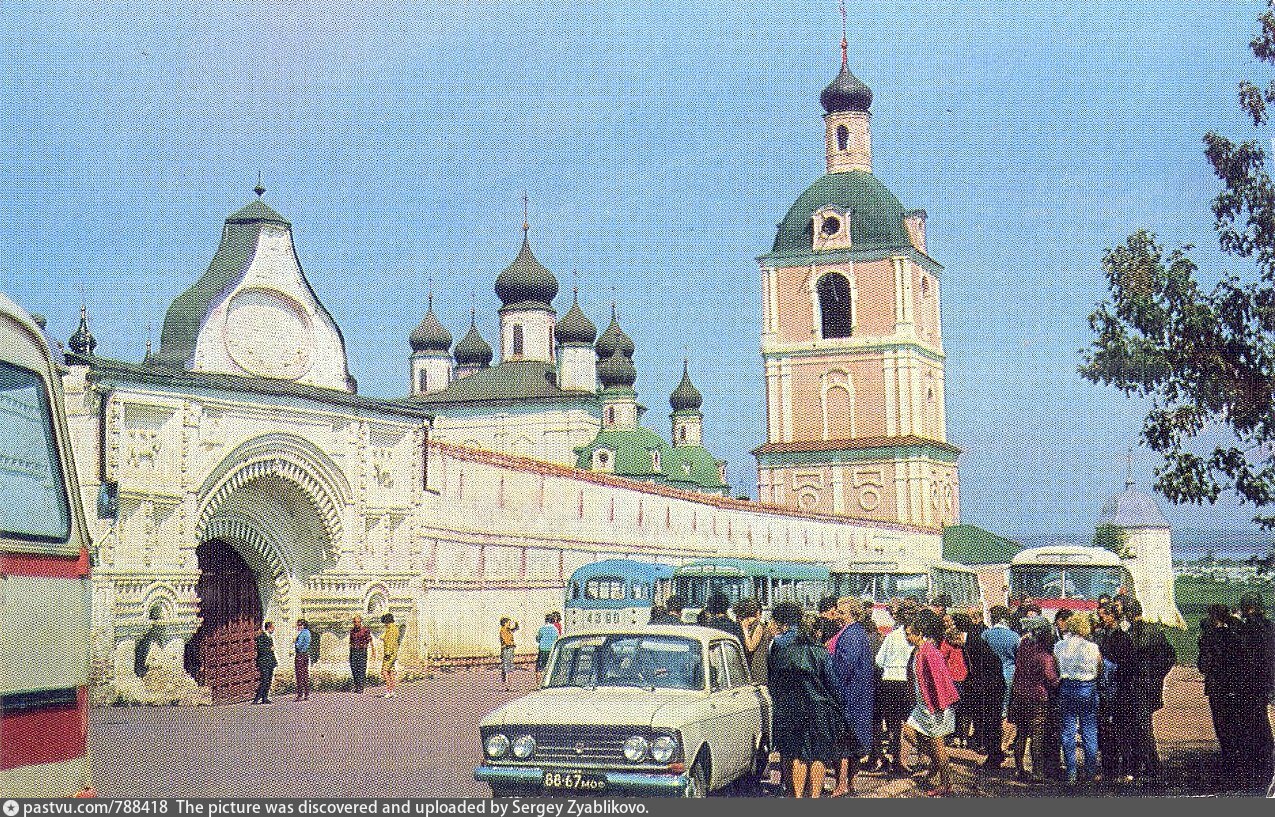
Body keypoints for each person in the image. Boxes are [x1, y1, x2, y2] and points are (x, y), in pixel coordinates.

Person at [767, 600, 846, 798]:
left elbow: (773, 679)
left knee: (795, 754)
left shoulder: (778, 647)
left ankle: (796, 796)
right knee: (818, 755)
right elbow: (833, 685)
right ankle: (814, 797)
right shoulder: (821, 652)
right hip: (820, 708)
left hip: (790, 707)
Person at [1114, 599, 1175, 786]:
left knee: (1135, 728)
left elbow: (1123, 660)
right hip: (1148, 686)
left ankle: (1146, 767)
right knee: (1143, 727)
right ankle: (1148, 766)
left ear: (1129, 614)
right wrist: (1157, 676)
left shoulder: (1128, 634)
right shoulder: (1155, 631)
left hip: (1134, 686)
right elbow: (1169, 657)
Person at [901, 609, 960, 797]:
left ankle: (947, 783)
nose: (907, 636)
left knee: (938, 744)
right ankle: (935, 762)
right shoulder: (918, 650)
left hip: (934, 705)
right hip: (922, 705)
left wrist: (941, 704)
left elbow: (940, 678)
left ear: (919, 632)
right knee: (909, 732)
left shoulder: (929, 651)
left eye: (909, 633)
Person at [828, 597, 875, 796]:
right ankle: (850, 783)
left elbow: (843, 666)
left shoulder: (852, 634)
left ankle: (842, 784)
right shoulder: (854, 632)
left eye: (840, 611)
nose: (836, 614)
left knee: (844, 742)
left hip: (850, 695)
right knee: (852, 741)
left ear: (850, 613)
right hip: (856, 694)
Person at [1008, 616, 1058, 783]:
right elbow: (1051, 678)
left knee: (1021, 733)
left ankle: (1019, 768)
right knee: (1037, 735)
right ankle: (1037, 771)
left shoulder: (1023, 646)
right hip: (1037, 696)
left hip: (1020, 693)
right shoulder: (1045, 655)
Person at [956, 611, 1007, 770]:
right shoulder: (971, 641)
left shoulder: (974, 643)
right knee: (988, 723)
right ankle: (995, 754)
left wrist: (978, 684)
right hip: (987, 686)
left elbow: (989, 665)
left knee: (991, 723)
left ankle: (994, 757)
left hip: (991, 687)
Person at [1055, 614, 1101, 785]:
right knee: (1089, 731)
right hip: (1087, 688)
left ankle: (1071, 771)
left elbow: (1057, 667)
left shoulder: (1060, 646)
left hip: (1067, 687)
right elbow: (1099, 667)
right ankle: (1090, 771)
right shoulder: (1093, 647)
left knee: (1068, 731)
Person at [1197, 604, 1242, 777]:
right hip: (1234, 685)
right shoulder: (1235, 636)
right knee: (1235, 722)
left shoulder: (1208, 638)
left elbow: (1203, 666)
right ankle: (1238, 760)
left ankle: (1229, 761)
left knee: (1222, 724)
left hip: (1217, 685)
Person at [1235, 592, 1274, 789]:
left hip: (1250, 684)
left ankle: (1257, 769)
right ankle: (1266, 767)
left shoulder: (1246, 630)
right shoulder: (1270, 627)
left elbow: (1240, 659)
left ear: (1247, 608)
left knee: (1252, 726)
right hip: (1267, 681)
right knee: (1263, 724)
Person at [875, 600, 917, 774]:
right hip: (906, 682)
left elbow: (878, 661)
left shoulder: (891, 636)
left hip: (888, 681)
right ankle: (903, 760)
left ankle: (892, 755)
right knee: (908, 722)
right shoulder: (916, 637)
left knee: (892, 723)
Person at [983, 605, 1021, 718]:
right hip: (1009, 672)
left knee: (992, 704)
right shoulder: (1015, 636)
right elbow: (1018, 657)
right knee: (1006, 705)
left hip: (990, 673)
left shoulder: (985, 635)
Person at [734, 598, 771, 684]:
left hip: (759, 669)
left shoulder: (759, 627)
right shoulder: (753, 626)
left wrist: (745, 629)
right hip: (753, 667)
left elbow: (751, 647)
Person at [252, 621, 277, 704]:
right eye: (273, 627)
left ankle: (265, 698)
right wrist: (270, 649)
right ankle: (257, 698)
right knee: (264, 680)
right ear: (269, 627)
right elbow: (260, 649)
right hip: (264, 662)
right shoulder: (261, 636)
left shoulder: (269, 637)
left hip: (270, 662)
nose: (274, 629)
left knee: (269, 680)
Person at [349, 615, 371, 694]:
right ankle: (356, 685)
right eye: (355, 622)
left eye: (358, 622)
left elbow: (369, 639)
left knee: (361, 669)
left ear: (360, 622)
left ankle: (361, 687)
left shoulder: (365, 630)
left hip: (362, 651)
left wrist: (372, 650)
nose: (356, 624)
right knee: (354, 668)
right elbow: (351, 641)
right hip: (353, 651)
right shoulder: (352, 631)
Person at [535, 613, 559, 686]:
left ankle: (538, 684)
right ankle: (550, 683)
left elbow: (538, 639)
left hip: (542, 649)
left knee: (539, 668)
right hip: (551, 650)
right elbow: (557, 639)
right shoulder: (555, 629)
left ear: (546, 620)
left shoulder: (542, 629)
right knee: (550, 666)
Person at [381, 612, 400, 698]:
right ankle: (392, 691)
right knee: (391, 671)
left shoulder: (391, 630)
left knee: (384, 671)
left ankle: (389, 691)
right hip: (394, 653)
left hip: (389, 654)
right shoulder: (395, 628)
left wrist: (387, 653)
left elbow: (390, 642)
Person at [293, 619, 312, 701]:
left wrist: (295, 641)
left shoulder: (302, 633)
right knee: (305, 674)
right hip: (306, 655)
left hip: (300, 655)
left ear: (302, 625)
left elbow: (299, 645)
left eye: (299, 625)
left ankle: (300, 694)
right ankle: (307, 693)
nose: (298, 627)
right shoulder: (308, 632)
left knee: (299, 674)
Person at [498, 616, 518, 691]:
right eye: (508, 623)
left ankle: (508, 685)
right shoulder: (503, 630)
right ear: (505, 623)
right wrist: (512, 643)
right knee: (506, 667)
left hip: (510, 649)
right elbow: (506, 641)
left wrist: (516, 625)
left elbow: (514, 629)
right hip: (506, 649)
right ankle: (506, 685)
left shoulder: (508, 630)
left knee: (509, 667)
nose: (509, 624)